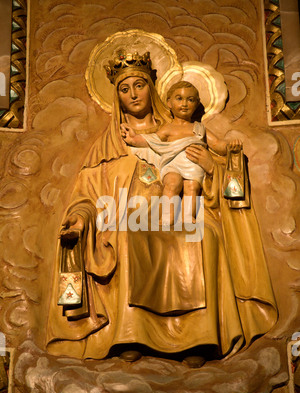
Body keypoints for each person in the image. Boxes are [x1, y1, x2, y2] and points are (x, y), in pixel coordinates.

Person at [46, 50, 278, 367]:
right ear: (116, 97)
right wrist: (78, 217)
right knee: (128, 234)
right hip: (132, 221)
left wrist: (212, 166)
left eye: (139, 85)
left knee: (203, 238)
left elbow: (229, 187)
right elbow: (87, 195)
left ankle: (199, 339)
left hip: (187, 217)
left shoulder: (179, 129)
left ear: (154, 89)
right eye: (124, 89)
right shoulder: (108, 144)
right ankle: (131, 334)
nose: (133, 94)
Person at [121, 81, 241, 223]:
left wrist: (230, 146)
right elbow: (152, 140)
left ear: (196, 104)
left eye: (190, 100)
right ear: (169, 103)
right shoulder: (168, 128)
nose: (184, 104)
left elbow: (217, 144)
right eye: (179, 98)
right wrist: (134, 139)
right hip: (173, 163)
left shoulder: (199, 128)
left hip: (193, 165)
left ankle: (187, 216)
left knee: (192, 187)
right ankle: (167, 216)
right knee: (172, 184)